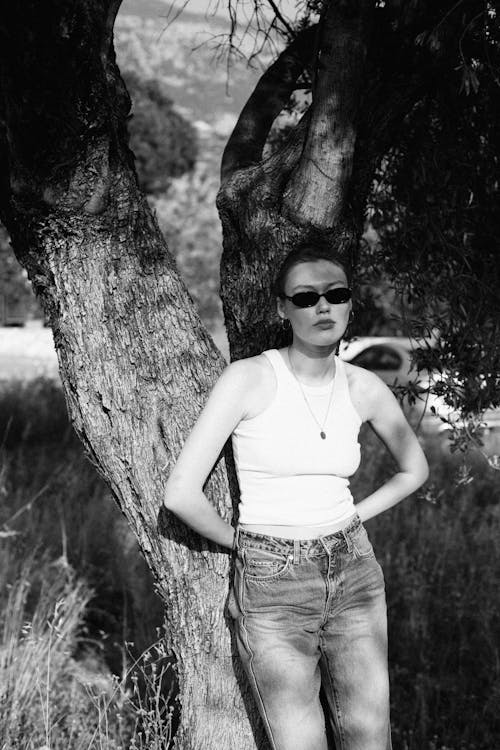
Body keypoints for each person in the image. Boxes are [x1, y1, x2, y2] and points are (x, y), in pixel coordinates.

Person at [163, 242, 429, 750]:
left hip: (354, 572)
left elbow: (414, 469)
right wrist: (245, 544)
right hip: (273, 584)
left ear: (351, 304)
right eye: (306, 297)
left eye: (336, 293)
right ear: (282, 308)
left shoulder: (365, 386)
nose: (323, 306)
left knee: (370, 740)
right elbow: (181, 493)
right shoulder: (249, 378)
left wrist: (354, 515)